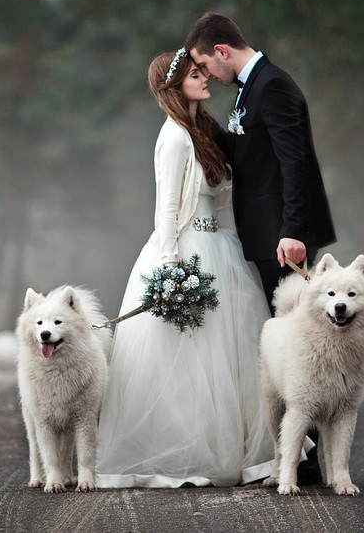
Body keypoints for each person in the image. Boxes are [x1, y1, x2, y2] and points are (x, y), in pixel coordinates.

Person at [94, 50, 279, 488]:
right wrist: (170, 269)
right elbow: (167, 209)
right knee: (189, 360)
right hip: (186, 252)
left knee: (227, 356)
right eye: (196, 75)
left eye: (203, 72)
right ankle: (187, 456)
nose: (206, 79)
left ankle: (235, 453)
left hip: (219, 247)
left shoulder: (202, 132)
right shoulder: (174, 137)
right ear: (174, 86)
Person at [184, 11, 336, 486]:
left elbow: (296, 163)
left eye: (205, 65)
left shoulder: (274, 86)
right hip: (267, 233)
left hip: (283, 238)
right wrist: (197, 123)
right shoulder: (250, 89)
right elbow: (251, 153)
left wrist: (293, 230)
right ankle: (298, 453)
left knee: (301, 344)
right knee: (290, 344)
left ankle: (307, 460)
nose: (206, 74)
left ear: (222, 52)